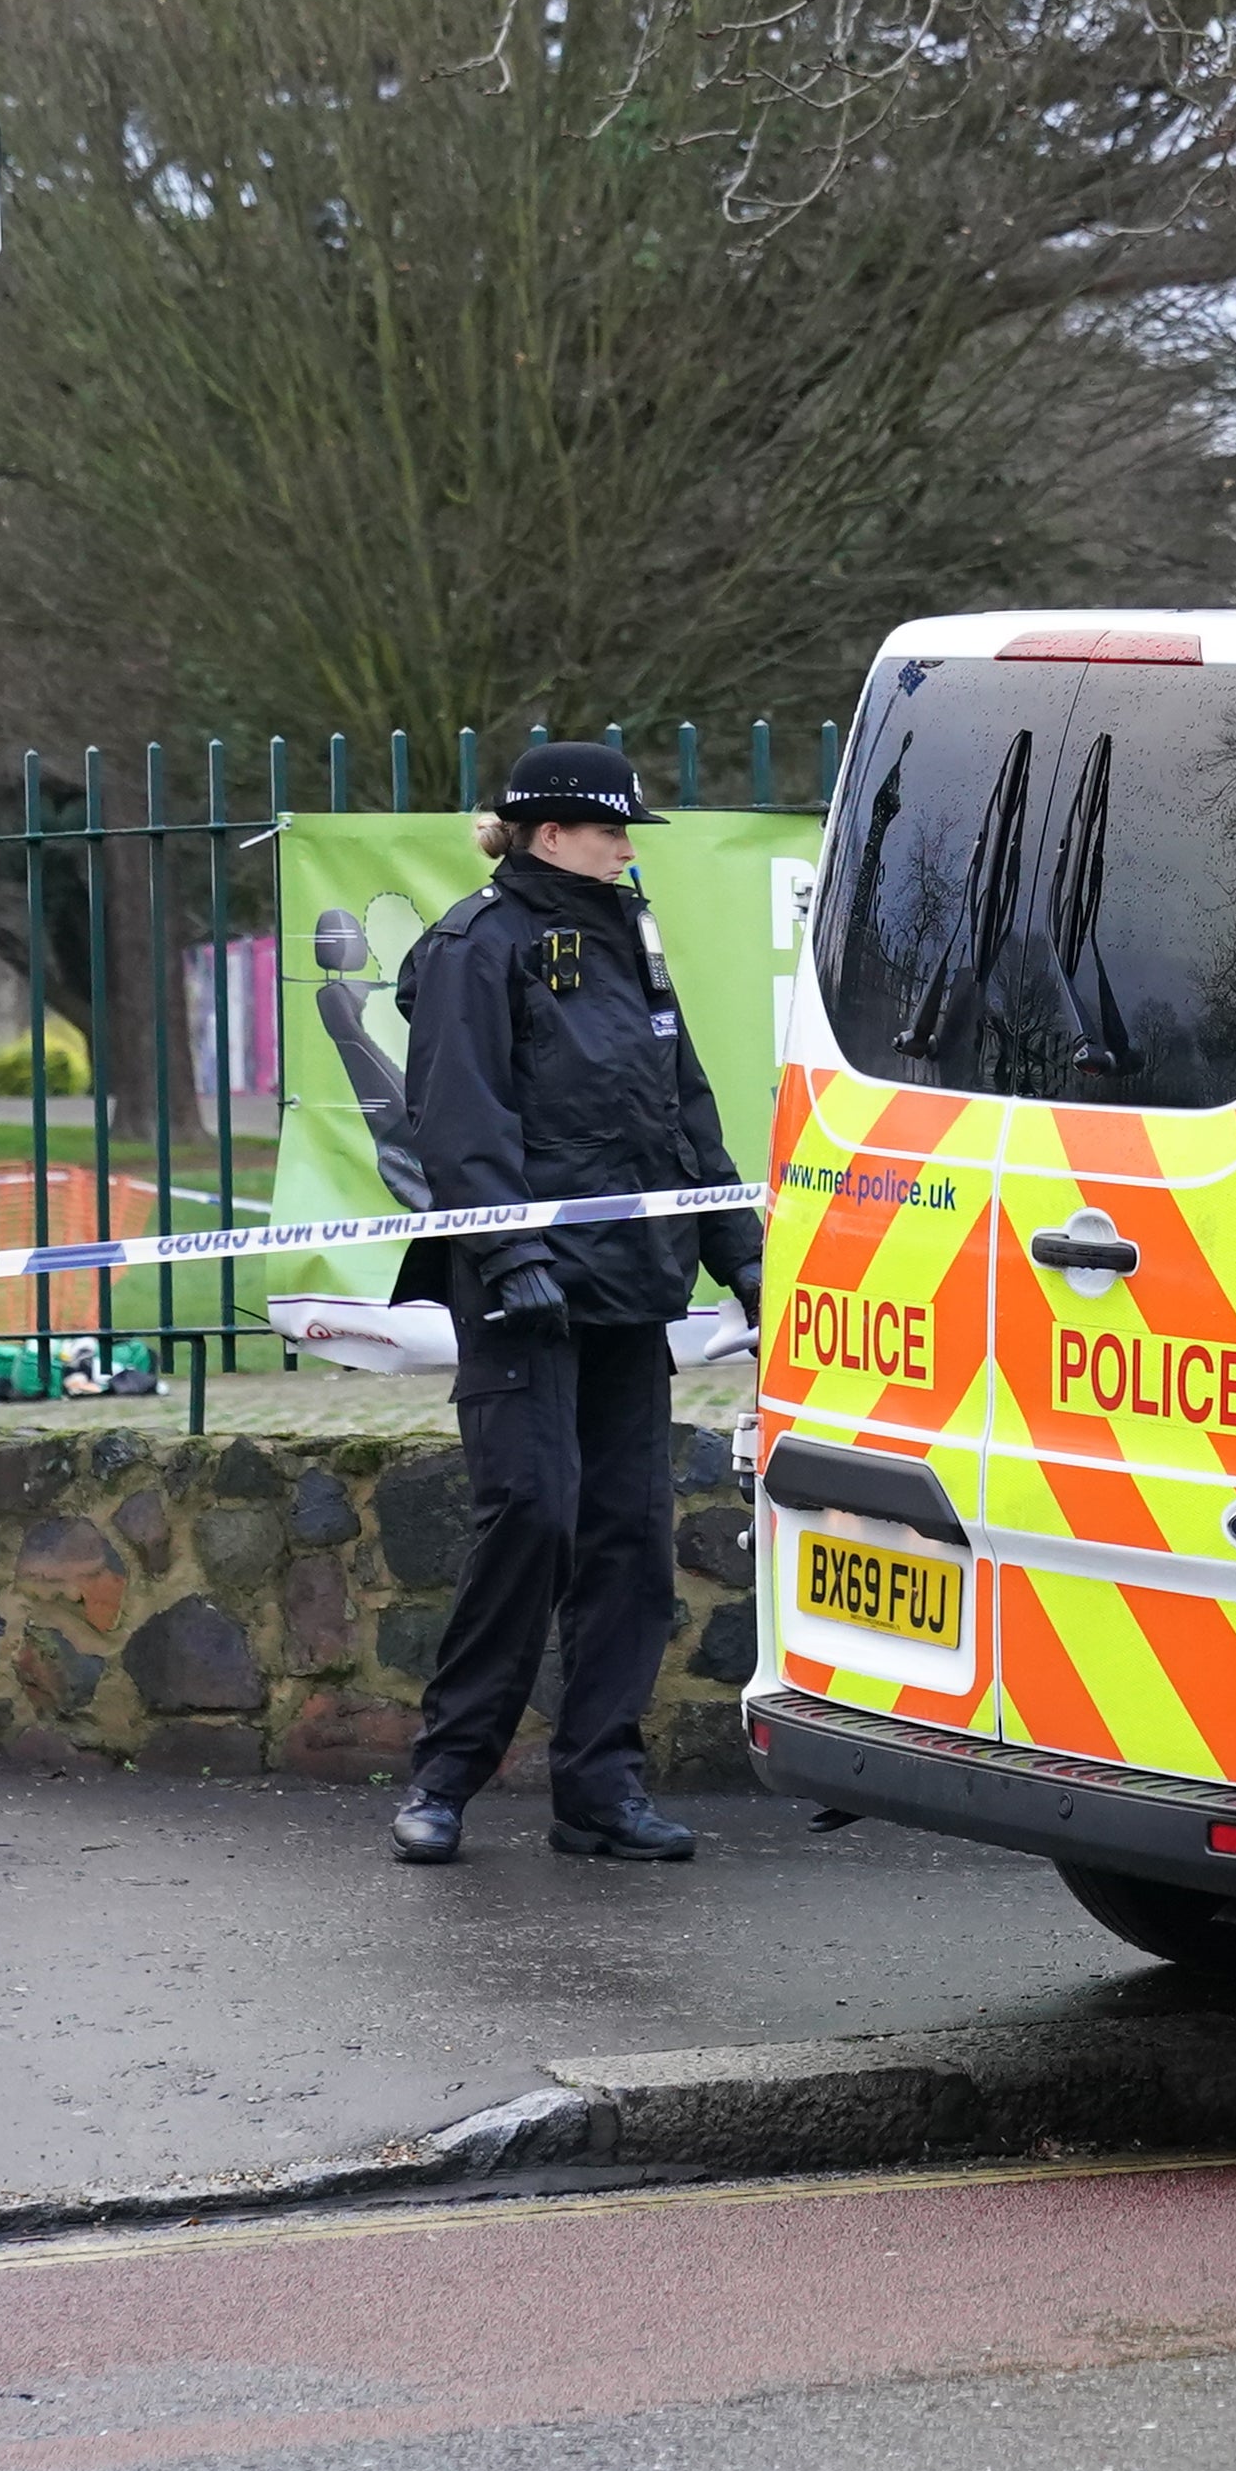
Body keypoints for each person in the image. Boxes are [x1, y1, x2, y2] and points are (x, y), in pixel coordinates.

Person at [384, 739, 766, 1864]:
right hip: (526, 1290)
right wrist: (510, 1255)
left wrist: (738, 1253)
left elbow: (680, 1106)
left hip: (631, 1281)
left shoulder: (627, 936)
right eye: (610, 829)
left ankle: (600, 1790)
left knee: (628, 1540)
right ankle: (446, 1778)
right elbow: (458, 1114)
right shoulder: (475, 945)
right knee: (532, 1518)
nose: (625, 846)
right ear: (550, 834)